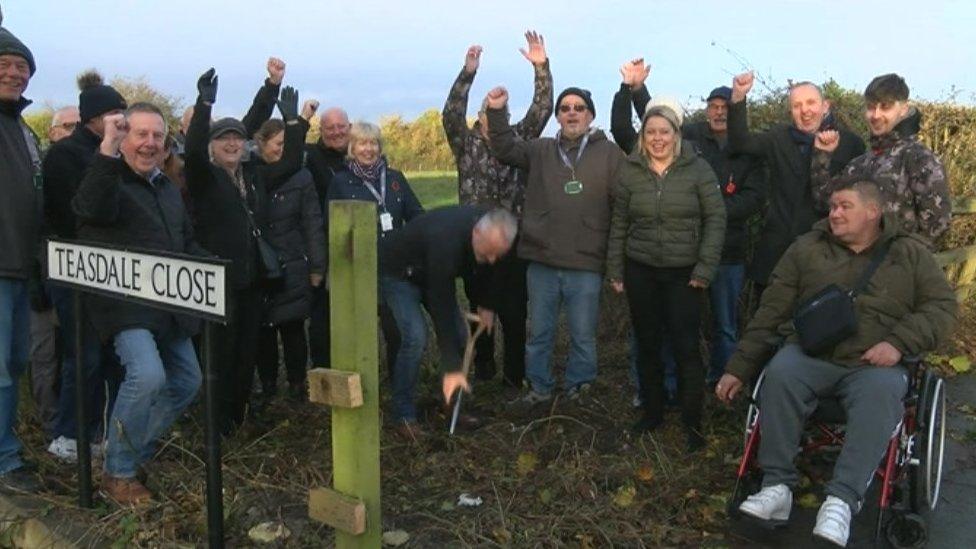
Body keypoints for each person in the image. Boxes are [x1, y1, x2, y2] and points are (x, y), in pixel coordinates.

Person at [714, 178, 957, 547]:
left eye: (845, 206)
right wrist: (738, 368)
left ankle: (842, 501)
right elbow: (771, 312)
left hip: (873, 365)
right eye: (832, 206)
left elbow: (942, 308)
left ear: (873, 212)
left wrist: (898, 342)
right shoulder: (806, 249)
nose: (834, 213)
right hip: (812, 354)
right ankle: (776, 487)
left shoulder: (909, 254)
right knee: (780, 371)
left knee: (883, 390)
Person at [72, 104, 209, 505]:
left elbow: (184, 242)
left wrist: (214, 268)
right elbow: (89, 210)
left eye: (157, 137)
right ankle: (119, 472)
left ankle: (129, 451)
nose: (150, 143)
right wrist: (107, 149)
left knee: (188, 381)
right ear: (124, 139)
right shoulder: (108, 178)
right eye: (140, 135)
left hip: (169, 307)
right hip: (126, 307)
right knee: (148, 376)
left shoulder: (167, 188)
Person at [612, 61, 766, 387]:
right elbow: (656, 124)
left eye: (726, 107)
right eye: (713, 107)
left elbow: (753, 200)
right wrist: (637, 89)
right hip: (684, 256)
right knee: (674, 327)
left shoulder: (749, 150)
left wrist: (709, 208)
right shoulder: (692, 136)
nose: (719, 113)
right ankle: (669, 385)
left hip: (728, 254)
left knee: (724, 325)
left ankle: (722, 385)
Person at [185, 60, 307, 434]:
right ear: (211, 146)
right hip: (219, 281)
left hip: (253, 280)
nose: (232, 142)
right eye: (224, 138)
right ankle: (215, 423)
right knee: (220, 353)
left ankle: (236, 417)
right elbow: (191, 151)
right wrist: (204, 106)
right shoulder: (205, 179)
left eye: (237, 138)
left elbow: (287, 162)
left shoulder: (253, 176)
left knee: (246, 351)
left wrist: (292, 124)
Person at [486, 84, 624, 406]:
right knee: (540, 334)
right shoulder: (540, 149)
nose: (571, 112)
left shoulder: (610, 154)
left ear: (590, 115)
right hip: (543, 260)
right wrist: (495, 110)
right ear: (558, 117)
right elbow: (504, 147)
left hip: (586, 261)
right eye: (565, 108)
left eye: (579, 107)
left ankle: (581, 387)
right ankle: (539, 388)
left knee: (582, 334)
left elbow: (624, 202)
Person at [607, 104, 726, 450]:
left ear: (676, 134)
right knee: (647, 344)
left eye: (664, 131)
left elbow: (715, 219)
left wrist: (705, 268)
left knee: (686, 346)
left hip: (684, 274)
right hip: (641, 269)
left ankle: (693, 422)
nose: (657, 138)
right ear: (643, 136)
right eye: (650, 132)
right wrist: (615, 270)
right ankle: (653, 412)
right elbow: (619, 224)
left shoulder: (698, 169)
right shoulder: (630, 171)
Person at [442, 30, 552, 389]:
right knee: (479, 308)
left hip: (514, 241)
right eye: (487, 115)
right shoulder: (466, 143)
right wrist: (467, 72)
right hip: (476, 242)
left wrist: (541, 67)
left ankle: (514, 375)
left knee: (515, 311)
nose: (492, 120)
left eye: (498, 113)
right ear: (480, 117)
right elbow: (450, 113)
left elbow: (542, 108)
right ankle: (484, 368)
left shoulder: (520, 140)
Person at [42, 69, 128, 462]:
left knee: (110, 356)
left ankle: (103, 431)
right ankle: (70, 433)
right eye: (112, 113)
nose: (120, 120)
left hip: (112, 271)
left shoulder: (123, 152)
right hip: (73, 269)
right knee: (84, 355)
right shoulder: (65, 155)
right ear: (93, 117)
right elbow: (68, 214)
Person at [378, 206, 516, 438]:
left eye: (497, 253)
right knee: (415, 337)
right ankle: (404, 415)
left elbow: (496, 268)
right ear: (477, 234)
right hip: (398, 273)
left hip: (431, 273)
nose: (492, 258)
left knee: (461, 337)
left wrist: (488, 305)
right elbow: (441, 303)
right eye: (488, 252)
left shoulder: (492, 233)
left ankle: (452, 406)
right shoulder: (445, 240)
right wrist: (452, 366)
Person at [726, 71, 866, 295]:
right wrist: (738, 98)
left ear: (825, 106)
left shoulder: (851, 144)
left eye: (811, 103)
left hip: (827, 256)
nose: (805, 111)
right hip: (777, 257)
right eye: (797, 105)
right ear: (791, 111)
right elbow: (739, 143)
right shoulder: (778, 138)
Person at [328, 121, 422, 430]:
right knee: (360, 342)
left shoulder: (395, 180)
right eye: (361, 144)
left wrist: (411, 249)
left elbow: (417, 217)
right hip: (359, 276)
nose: (368, 149)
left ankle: (403, 406)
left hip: (395, 273)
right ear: (352, 149)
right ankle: (360, 405)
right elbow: (334, 230)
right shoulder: (340, 182)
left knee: (407, 337)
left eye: (374, 144)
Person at [811, 73, 951, 244]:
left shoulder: (919, 159)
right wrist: (822, 156)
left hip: (899, 267)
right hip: (853, 265)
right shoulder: (859, 163)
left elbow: (938, 225)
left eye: (885, 107)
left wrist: (897, 262)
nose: (876, 115)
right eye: (871, 107)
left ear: (904, 109)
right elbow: (825, 202)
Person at [253, 115, 323, 403]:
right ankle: (268, 386)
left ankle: (297, 385)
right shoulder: (250, 175)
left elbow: (312, 222)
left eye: (286, 144)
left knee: (292, 328)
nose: (282, 150)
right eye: (277, 143)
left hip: (292, 261)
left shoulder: (301, 177)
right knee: (263, 332)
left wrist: (317, 265)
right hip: (259, 264)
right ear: (262, 144)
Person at [0, 20, 42, 492]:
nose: (15, 74)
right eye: (6, 64)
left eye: (22, 67)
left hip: (19, 267)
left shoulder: (23, 128)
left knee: (12, 369)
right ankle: (5, 462)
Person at [304, 105, 352, 368]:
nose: (336, 132)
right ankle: (323, 372)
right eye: (329, 128)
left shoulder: (360, 155)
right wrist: (300, 119)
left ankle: (352, 363)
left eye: (340, 127)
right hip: (323, 246)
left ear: (350, 128)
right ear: (320, 131)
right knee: (322, 314)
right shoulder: (311, 156)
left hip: (358, 246)